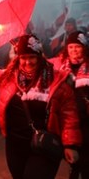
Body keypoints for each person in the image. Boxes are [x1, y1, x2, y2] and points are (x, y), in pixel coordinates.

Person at [0, 34, 82, 179]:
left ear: (40, 57)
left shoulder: (57, 81)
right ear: (18, 58)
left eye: (32, 57)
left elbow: (69, 116)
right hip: (15, 147)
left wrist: (71, 145)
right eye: (23, 57)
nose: (27, 62)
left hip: (43, 146)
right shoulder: (8, 78)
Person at [49, 31, 89, 179]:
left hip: (86, 120)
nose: (73, 50)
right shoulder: (60, 64)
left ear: (84, 47)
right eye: (71, 47)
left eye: (77, 47)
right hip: (69, 120)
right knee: (74, 152)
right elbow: (41, 63)